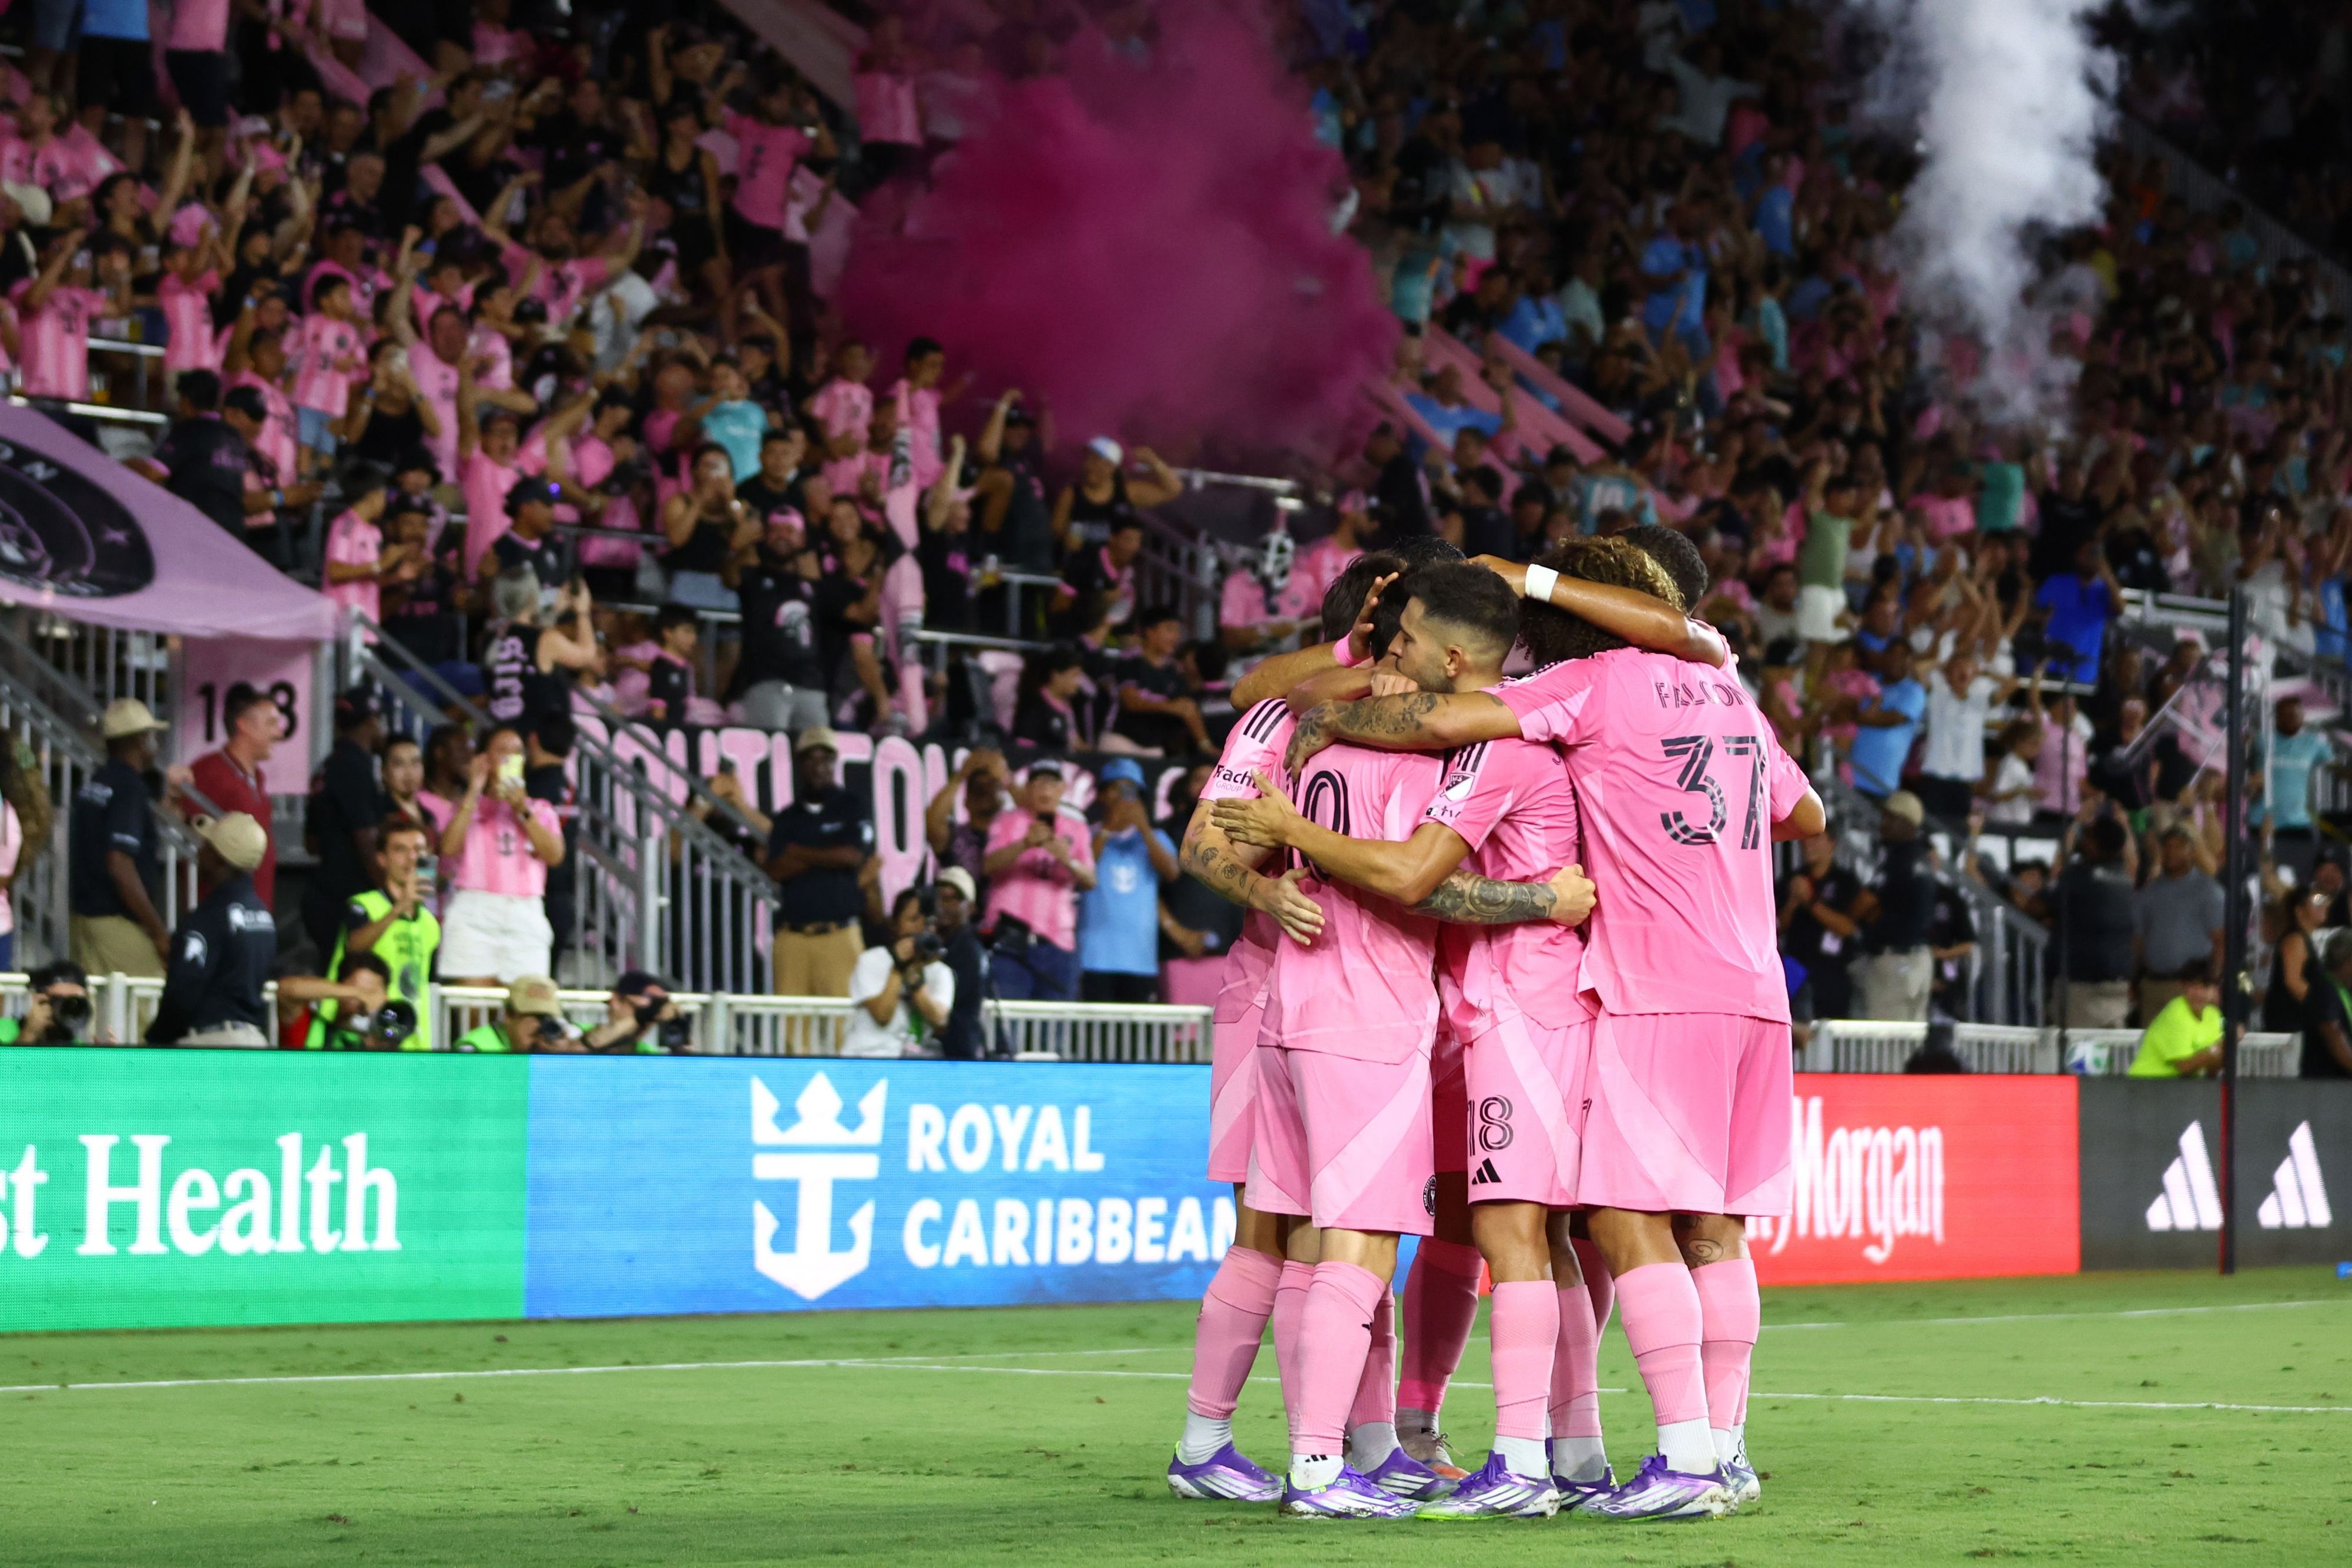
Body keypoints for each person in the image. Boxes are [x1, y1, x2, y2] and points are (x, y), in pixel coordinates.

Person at [1286, 539, 1823, 1520]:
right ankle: (1698, 1448)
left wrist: (1325, 716)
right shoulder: (1723, 688)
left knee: (1600, 1221)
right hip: (1753, 984)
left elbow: (1446, 738)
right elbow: (1807, 809)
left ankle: (1625, 1458)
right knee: (1695, 1228)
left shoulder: (1583, 690)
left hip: (1635, 986)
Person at [1206, 561, 1611, 1517]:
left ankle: (1529, 1451)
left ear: (1453, 655)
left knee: (1504, 1232)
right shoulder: (1420, 745)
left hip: (1459, 1010)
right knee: (1400, 1238)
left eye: (1401, 643)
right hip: (1393, 1015)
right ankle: (1351, 1459)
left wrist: (1287, 822)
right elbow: (1407, 877)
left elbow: (1403, 861)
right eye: (1380, 642)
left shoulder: (1461, 740)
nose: (1383, 663)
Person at [437, 726, 566, 986]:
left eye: (517, 751)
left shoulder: (540, 810)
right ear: (484, 758)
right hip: (475, 911)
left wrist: (522, 809)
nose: (510, 757)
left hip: (525, 911)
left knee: (525, 1006)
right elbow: (448, 848)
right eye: (502, 751)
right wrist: (474, 790)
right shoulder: (465, 807)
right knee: (472, 1006)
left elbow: (555, 856)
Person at [306, 815, 440, 1052]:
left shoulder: (431, 925)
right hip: (356, 1038)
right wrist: (399, 907)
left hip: (409, 1043)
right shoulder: (363, 906)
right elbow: (355, 946)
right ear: (381, 859)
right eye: (400, 850)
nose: (411, 858)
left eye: (419, 849)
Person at [147, 812, 276, 1047]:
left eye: (207, 845)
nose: (199, 850)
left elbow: (183, 993)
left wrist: (155, 1039)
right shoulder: (262, 915)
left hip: (210, 1046)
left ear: (219, 858)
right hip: (254, 1042)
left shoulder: (209, 918)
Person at [767, 727, 877, 996]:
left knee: (843, 1025)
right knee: (792, 1031)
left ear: (835, 762)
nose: (819, 767)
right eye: (811, 760)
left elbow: (853, 857)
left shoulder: (853, 806)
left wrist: (801, 852)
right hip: (793, 936)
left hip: (839, 934)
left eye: (825, 759)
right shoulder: (787, 817)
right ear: (800, 764)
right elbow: (776, 870)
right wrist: (828, 853)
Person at [69, 698, 175, 978]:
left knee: (101, 1015)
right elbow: (120, 864)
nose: (156, 743)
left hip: (85, 920)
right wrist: (158, 932)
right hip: (116, 923)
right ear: (142, 741)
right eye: (152, 735)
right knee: (146, 1007)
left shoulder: (97, 782)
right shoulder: (130, 787)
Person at [980, 762, 1097, 1002]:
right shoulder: (1007, 821)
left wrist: (1067, 860)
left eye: (1053, 783)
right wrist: (1024, 844)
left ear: (1063, 789)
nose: (1046, 789)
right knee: (1009, 1028)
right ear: (1029, 789)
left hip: (1058, 944)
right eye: (1039, 783)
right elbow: (987, 866)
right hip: (1010, 943)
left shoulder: (1076, 828)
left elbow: (1090, 880)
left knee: (1054, 1031)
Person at [1078, 757, 1179, 1002]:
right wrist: (1109, 828)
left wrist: (1144, 829)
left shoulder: (1155, 837)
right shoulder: (1088, 834)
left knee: (1136, 1040)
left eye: (1130, 790)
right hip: (1094, 957)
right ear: (1101, 795)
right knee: (1094, 1037)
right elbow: (1081, 872)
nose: (1123, 798)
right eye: (1116, 789)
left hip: (1140, 960)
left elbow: (1172, 873)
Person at [304, 689, 388, 960]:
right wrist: (389, 893)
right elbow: (365, 838)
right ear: (372, 722)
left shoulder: (327, 766)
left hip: (324, 890)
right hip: (348, 897)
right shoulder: (355, 766)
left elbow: (312, 843)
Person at [185, 681, 281, 912]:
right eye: (271, 723)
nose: (279, 733)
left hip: (255, 908)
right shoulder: (209, 772)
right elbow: (191, 836)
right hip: (223, 913)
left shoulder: (257, 776)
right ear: (245, 725)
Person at [845, 886, 956, 1058]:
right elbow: (882, 1015)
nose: (921, 929)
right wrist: (898, 967)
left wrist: (915, 979)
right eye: (913, 919)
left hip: (912, 1064)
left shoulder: (941, 972)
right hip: (867, 1057)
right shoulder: (871, 960)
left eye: (928, 922)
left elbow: (939, 1019)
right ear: (895, 925)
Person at [1854, 791, 1935, 1022]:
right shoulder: (1922, 857)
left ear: (1907, 823)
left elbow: (1864, 903)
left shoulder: (1899, 858)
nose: (1884, 824)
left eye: (1891, 818)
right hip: (1918, 959)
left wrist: (1860, 917)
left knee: (1887, 1040)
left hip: (1898, 961)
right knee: (1910, 1041)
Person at [2058, 814, 2139, 1029]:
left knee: (2081, 1054)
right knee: (2112, 1049)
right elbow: (2133, 862)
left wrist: (2074, 826)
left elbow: (2045, 896)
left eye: (2087, 835)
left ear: (2095, 843)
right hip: (2118, 981)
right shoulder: (2125, 877)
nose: (2083, 839)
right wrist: (2124, 824)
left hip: (2084, 983)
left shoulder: (2080, 875)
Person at [2136, 827, 2224, 1022]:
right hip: (2154, 985)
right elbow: (2139, 941)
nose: (2171, 852)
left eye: (2178, 846)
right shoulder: (2149, 892)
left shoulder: (2208, 890)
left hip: (2191, 988)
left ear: (2191, 851)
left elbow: (2221, 941)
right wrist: (2136, 980)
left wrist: (2212, 983)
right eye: (2167, 846)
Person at [1779, 830, 1863, 1023]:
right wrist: (1792, 902)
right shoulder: (1792, 880)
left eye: (1816, 838)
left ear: (1832, 843)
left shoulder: (1846, 882)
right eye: (1805, 839)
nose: (1808, 845)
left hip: (1833, 976)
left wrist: (1810, 902)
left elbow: (1849, 928)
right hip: (1796, 974)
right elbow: (1776, 929)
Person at [2266, 694, 2333, 884]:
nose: (2292, 718)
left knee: (2303, 880)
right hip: (2266, 826)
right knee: (2272, 879)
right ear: (2276, 717)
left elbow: (2334, 766)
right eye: (2286, 715)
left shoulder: (2313, 743)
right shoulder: (2264, 742)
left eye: (2296, 714)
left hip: (2300, 825)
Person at [930, 867, 991, 1060]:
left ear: (971, 907)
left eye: (954, 899)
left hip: (958, 1055)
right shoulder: (931, 943)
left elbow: (947, 1013)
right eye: (939, 897)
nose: (943, 905)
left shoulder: (969, 953)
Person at [2126, 961, 2225, 1078]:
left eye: (2205, 987)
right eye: (2193, 986)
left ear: (2215, 990)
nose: (2199, 994)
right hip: (2147, 1083)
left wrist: (2225, 1046)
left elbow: (2213, 1069)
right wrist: (2218, 1047)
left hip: (2180, 1087)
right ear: (2184, 987)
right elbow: (2184, 1067)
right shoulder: (2176, 1011)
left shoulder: (2214, 1015)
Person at [454, 975, 576, 1053]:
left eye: (547, 1018)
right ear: (509, 1015)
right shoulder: (477, 1046)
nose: (541, 1027)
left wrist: (563, 1057)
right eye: (534, 1016)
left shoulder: (566, 1039)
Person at [581, 971, 689, 1054]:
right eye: (647, 1010)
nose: (648, 1022)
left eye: (655, 1014)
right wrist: (640, 1018)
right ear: (617, 1001)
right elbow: (581, 1048)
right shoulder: (577, 1030)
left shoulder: (647, 1053)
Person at [2299, 928, 2352, 1080]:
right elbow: (2332, 1034)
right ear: (2348, 961)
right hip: (2325, 1086)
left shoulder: (2343, 988)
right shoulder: (2324, 987)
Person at [0, 960, 95, 1045]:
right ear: (39, 999)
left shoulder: (79, 1049)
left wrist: (106, 1058)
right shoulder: (3, 1030)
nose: (70, 1006)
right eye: (59, 999)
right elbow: (5, 1064)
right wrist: (29, 1034)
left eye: (76, 1001)